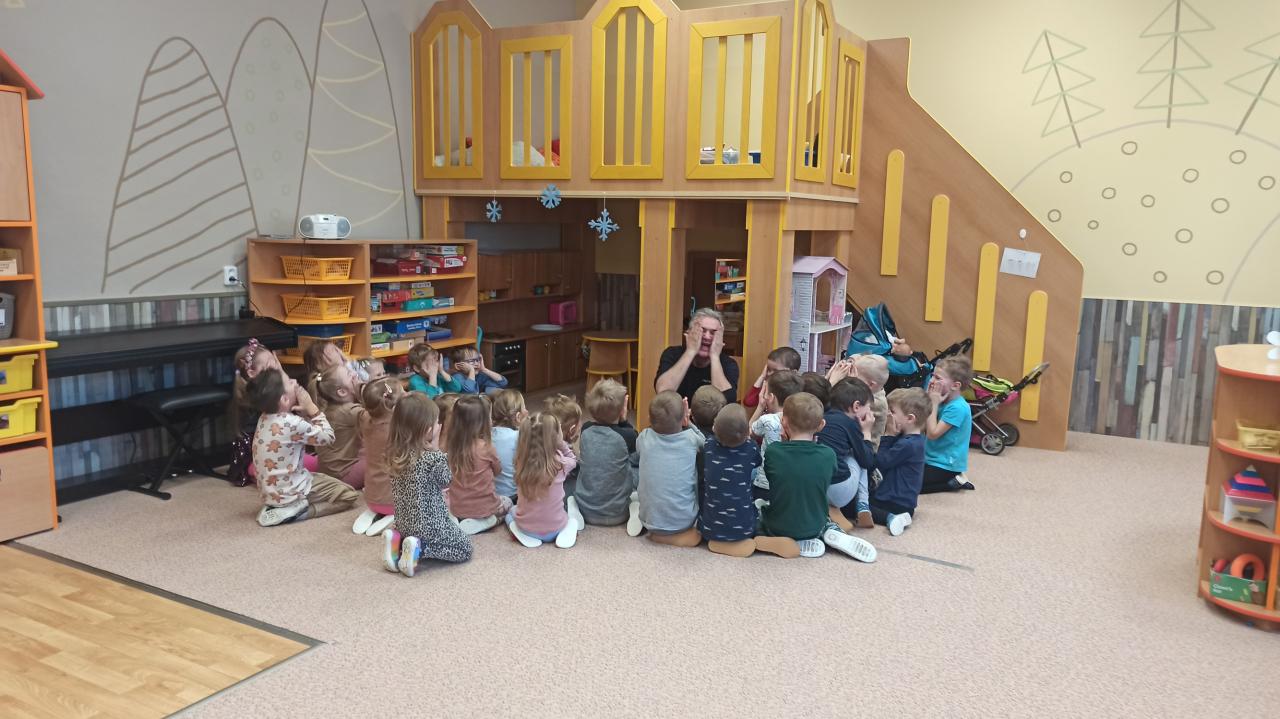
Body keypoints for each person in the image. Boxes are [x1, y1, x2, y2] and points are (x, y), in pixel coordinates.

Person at [757, 393, 877, 562]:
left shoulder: (773, 451)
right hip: (814, 525)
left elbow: (776, 479)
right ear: (821, 425)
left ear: (784, 422)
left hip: (778, 526)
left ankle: (779, 539)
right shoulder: (828, 455)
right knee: (823, 517)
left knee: (758, 506)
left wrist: (784, 445)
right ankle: (830, 531)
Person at [245, 370, 359, 526]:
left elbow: (301, 434)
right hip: (293, 490)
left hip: (270, 493)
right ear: (285, 400)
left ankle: (277, 507)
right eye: (290, 382)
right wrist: (312, 408)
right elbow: (328, 437)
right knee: (348, 495)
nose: (294, 380)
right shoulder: (292, 423)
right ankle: (299, 512)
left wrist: (305, 415)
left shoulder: (264, 418)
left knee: (320, 477)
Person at [381, 393, 473, 577]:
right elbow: (446, 480)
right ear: (427, 430)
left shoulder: (395, 455)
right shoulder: (432, 458)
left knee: (417, 533)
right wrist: (437, 448)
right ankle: (421, 548)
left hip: (403, 523)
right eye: (437, 422)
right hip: (430, 527)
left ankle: (397, 543)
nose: (440, 425)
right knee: (464, 548)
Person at [699, 404, 799, 559]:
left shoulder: (709, 445)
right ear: (747, 432)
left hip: (710, 528)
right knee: (756, 508)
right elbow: (758, 463)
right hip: (744, 527)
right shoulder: (751, 448)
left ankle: (719, 541)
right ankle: (758, 539)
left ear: (714, 428)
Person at [635, 391, 704, 546]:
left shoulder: (644, 437)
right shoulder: (691, 439)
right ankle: (676, 535)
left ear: (649, 419)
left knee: (637, 469)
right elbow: (705, 442)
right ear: (683, 419)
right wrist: (689, 422)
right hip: (684, 522)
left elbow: (639, 451)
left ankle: (656, 533)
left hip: (648, 519)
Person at [506, 412, 582, 549]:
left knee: (511, 512)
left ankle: (519, 532)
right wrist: (562, 445)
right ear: (555, 438)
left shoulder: (520, 462)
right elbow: (574, 460)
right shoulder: (561, 463)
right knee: (568, 515)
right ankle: (567, 531)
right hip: (556, 528)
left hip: (526, 528)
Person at [864, 388, 928, 535]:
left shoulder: (908, 444)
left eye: (892, 412)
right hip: (903, 503)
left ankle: (891, 518)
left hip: (894, 503)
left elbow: (881, 462)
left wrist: (888, 435)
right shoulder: (914, 440)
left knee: (856, 506)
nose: (888, 415)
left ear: (910, 418)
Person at [575, 379, 639, 527]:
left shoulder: (585, 429)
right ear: (622, 410)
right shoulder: (628, 436)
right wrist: (624, 420)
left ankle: (574, 507)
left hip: (586, 510)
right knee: (638, 467)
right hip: (618, 513)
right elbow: (635, 448)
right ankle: (635, 508)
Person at [444, 395, 510, 534]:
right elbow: (498, 471)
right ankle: (490, 521)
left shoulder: (450, 447)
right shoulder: (486, 447)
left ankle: (460, 520)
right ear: (482, 422)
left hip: (458, 509)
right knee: (508, 502)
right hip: (486, 507)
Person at [816, 377, 875, 530]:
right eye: (868, 408)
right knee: (860, 454)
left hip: (814, 489)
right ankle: (863, 505)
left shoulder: (822, 416)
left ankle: (827, 510)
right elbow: (868, 461)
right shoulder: (850, 424)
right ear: (856, 406)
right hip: (839, 492)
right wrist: (867, 433)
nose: (869, 413)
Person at [655, 308, 740, 404]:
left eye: (713, 333)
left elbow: (727, 402)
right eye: (702, 330)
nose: (707, 337)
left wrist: (715, 357)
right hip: (676, 413)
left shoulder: (729, 364)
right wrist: (690, 351)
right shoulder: (672, 354)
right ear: (689, 333)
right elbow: (663, 392)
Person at [354, 378, 403, 536]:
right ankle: (395, 516)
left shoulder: (365, 420)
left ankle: (376, 512)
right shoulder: (398, 430)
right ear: (394, 407)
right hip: (392, 502)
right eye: (404, 394)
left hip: (371, 497)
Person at [922, 355, 976, 493]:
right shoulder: (941, 401)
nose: (932, 381)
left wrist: (933, 403)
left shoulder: (957, 407)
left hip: (946, 465)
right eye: (932, 376)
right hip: (929, 458)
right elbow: (922, 427)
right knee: (901, 475)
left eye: (938, 378)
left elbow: (932, 434)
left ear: (955, 385)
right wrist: (928, 401)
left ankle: (954, 482)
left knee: (909, 486)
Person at [749, 369, 804, 500]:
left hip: (765, 484)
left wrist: (760, 406)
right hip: (790, 484)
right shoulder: (801, 420)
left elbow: (748, 433)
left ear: (771, 398)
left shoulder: (767, 420)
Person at [311, 364, 367, 489]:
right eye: (349, 375)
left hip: (329, 473)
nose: (354, 374)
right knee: (381, 455)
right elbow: (378, 415)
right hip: (344, 476)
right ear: (342, 392)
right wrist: (363, 391)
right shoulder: (350, 411)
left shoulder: (330, 409)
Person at [490, 389, 526, 503]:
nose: (527, 411)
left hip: (492, 495)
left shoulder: (486, 435)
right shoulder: (518, 437)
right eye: (524, 408)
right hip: (513, 495)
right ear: (518, 416)